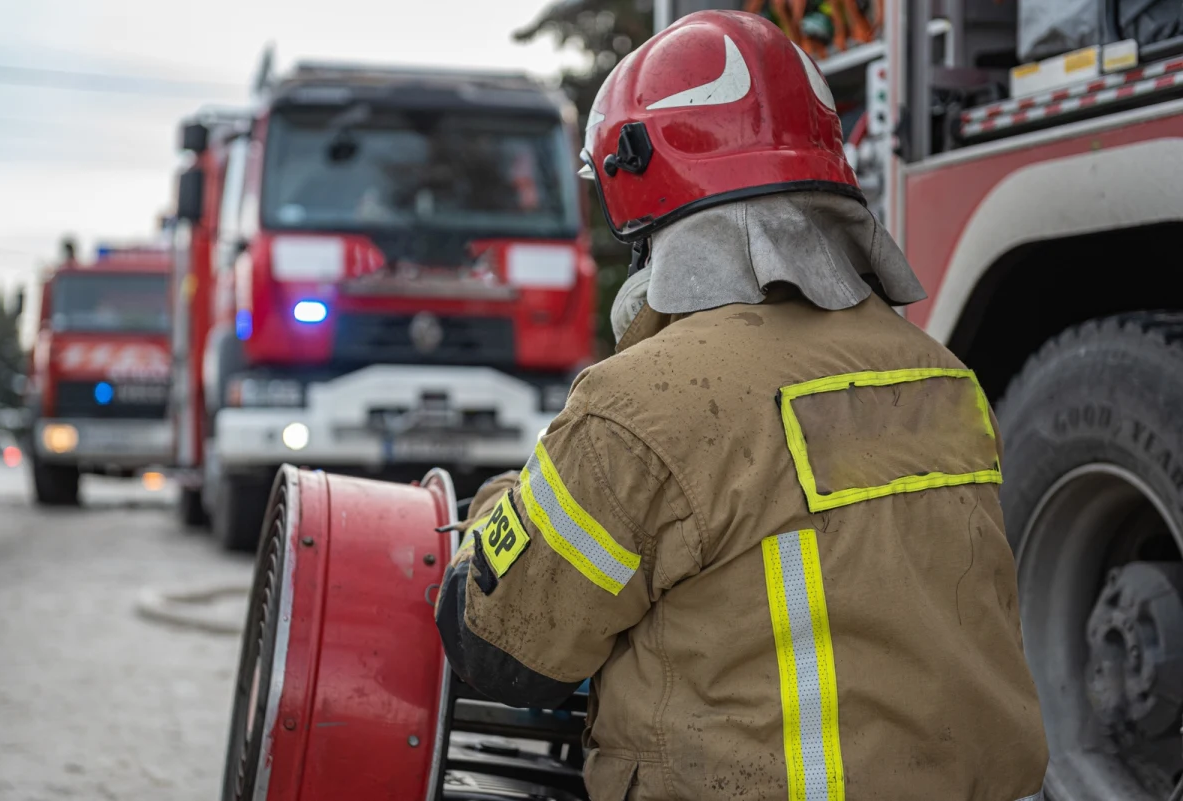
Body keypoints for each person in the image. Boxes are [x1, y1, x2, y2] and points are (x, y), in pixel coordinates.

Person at [435, 10, 1048, 800]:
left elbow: (502, 649)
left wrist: (497, 513)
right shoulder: (940, 375)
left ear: (634, 185)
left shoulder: (639, 408)